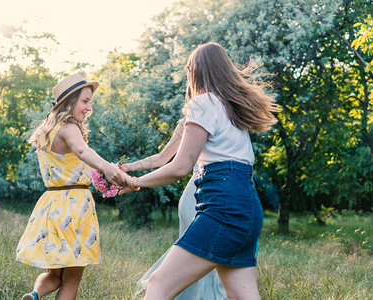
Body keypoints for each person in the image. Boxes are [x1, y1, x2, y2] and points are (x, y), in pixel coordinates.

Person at [120, 42, 278, 300]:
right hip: (248, 207)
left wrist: (136, 182)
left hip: (222, 206)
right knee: (242, 295)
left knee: (159, 283)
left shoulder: (203, 103)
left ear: (195, 71)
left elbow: (180, 167)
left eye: (187, 71)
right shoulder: (232, 110)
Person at [16, 74, 126, 300]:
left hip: (51, 205)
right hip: (75, 208)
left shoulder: (47, 132)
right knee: (72, 280)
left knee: (54, 274)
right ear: (69, 102)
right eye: (85, 101)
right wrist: (107, 168)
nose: (89, 107)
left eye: (90, 102)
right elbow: (83, 152)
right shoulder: (69, 128)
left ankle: (35, 295)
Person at [120, 119, 226, 300]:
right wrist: (128, 168)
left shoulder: (227, 111)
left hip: (223, 194)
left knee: (214, 258)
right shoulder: (191, 118)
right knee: (200, 260)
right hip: (199, 195)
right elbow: (163, 158)